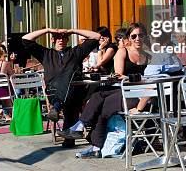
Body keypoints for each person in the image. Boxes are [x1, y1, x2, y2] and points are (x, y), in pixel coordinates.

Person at [62, 23, 150, 158]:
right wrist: (134, 78)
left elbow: (150, 78)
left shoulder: (148, 55)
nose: (137, 38)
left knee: (101, 104)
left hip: (140, 96)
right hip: (125, 91)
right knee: (99, 96)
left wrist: (134, 79)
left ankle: (89, 136)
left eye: (141, 35)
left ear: (145, 37)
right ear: (129, 38)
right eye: (134, 36)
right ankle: (85, 131)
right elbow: (120, 75)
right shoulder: (123, 51)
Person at [22, 27, 101, 148]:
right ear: (53, 39)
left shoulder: (75, 52)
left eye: (64, 37)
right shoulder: (46, 54)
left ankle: (57, 110)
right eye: (58, 38)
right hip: (54, 92)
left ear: (67, 39)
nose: (60, 40)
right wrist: (48, 30)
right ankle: (69, 133)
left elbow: (96, 37)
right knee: (69, 89)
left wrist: (73, 30)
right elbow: (25, 39)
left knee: (70, 77)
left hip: (74, 92)